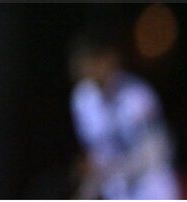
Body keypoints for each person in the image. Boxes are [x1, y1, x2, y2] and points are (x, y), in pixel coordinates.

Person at [69, 30, 180, 200]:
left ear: (110, 59)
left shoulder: (138, 96)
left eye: (95, 60)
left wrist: (114, 169)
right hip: (117, 192)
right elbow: (96, 153)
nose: (88, 68)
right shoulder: (82, 100)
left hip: (151, 189)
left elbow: (157, 150)